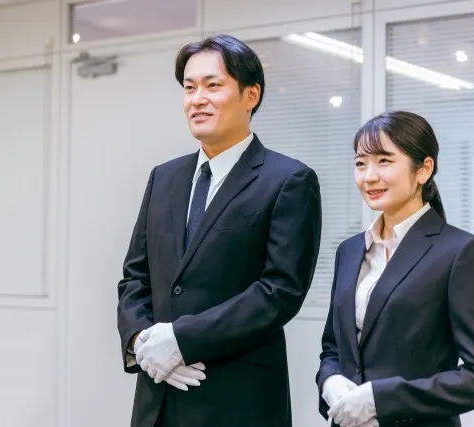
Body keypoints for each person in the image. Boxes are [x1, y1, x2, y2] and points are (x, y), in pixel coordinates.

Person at [117, 34, 323, 427]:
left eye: (212, 85)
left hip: (236, 398)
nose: (197, 99)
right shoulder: (163, 177)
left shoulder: (288, 180)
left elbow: (279, 292)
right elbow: (135, 277)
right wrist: (142, 340)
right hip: (158, 395)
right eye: (189, 88)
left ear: (251, 95)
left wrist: (181, 340)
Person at [315, 111, 474, 427]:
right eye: (361, 163)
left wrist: (381, 400)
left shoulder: (459, 251)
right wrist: (329, 381)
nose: (369, 176)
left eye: (384, 161)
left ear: (424, 169)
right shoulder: (349, 250)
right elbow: (333, 348)